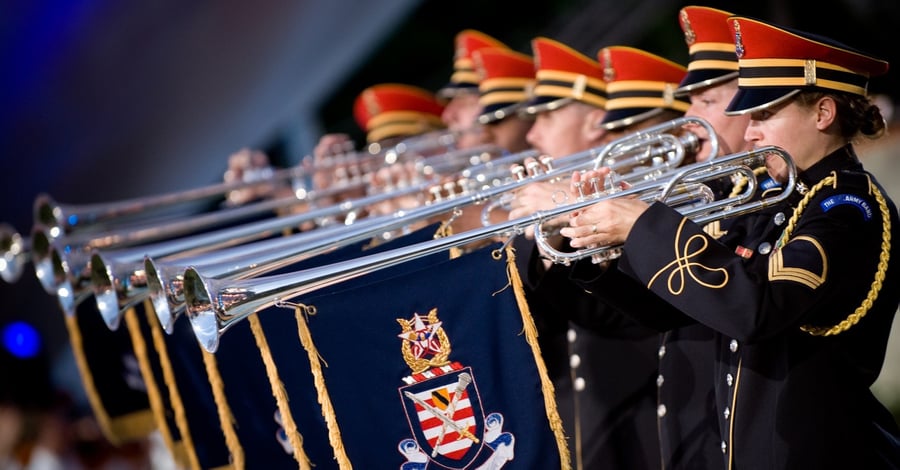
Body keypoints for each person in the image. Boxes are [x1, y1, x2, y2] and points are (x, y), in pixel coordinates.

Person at [562, 15, 900, 469]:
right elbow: (674, 311)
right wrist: (597, 250)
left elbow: (758, 306)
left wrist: (644, 225)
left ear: (823, 113)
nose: (750, 131)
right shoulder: (770, 196)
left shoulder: (845, 207)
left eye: (764, 115)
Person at [508, 36, 689, 470]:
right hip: (601, 430)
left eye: (548, 115)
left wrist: (563, 221)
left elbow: (630, 319)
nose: (531, 133)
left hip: (660, 428)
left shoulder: (676, 202)